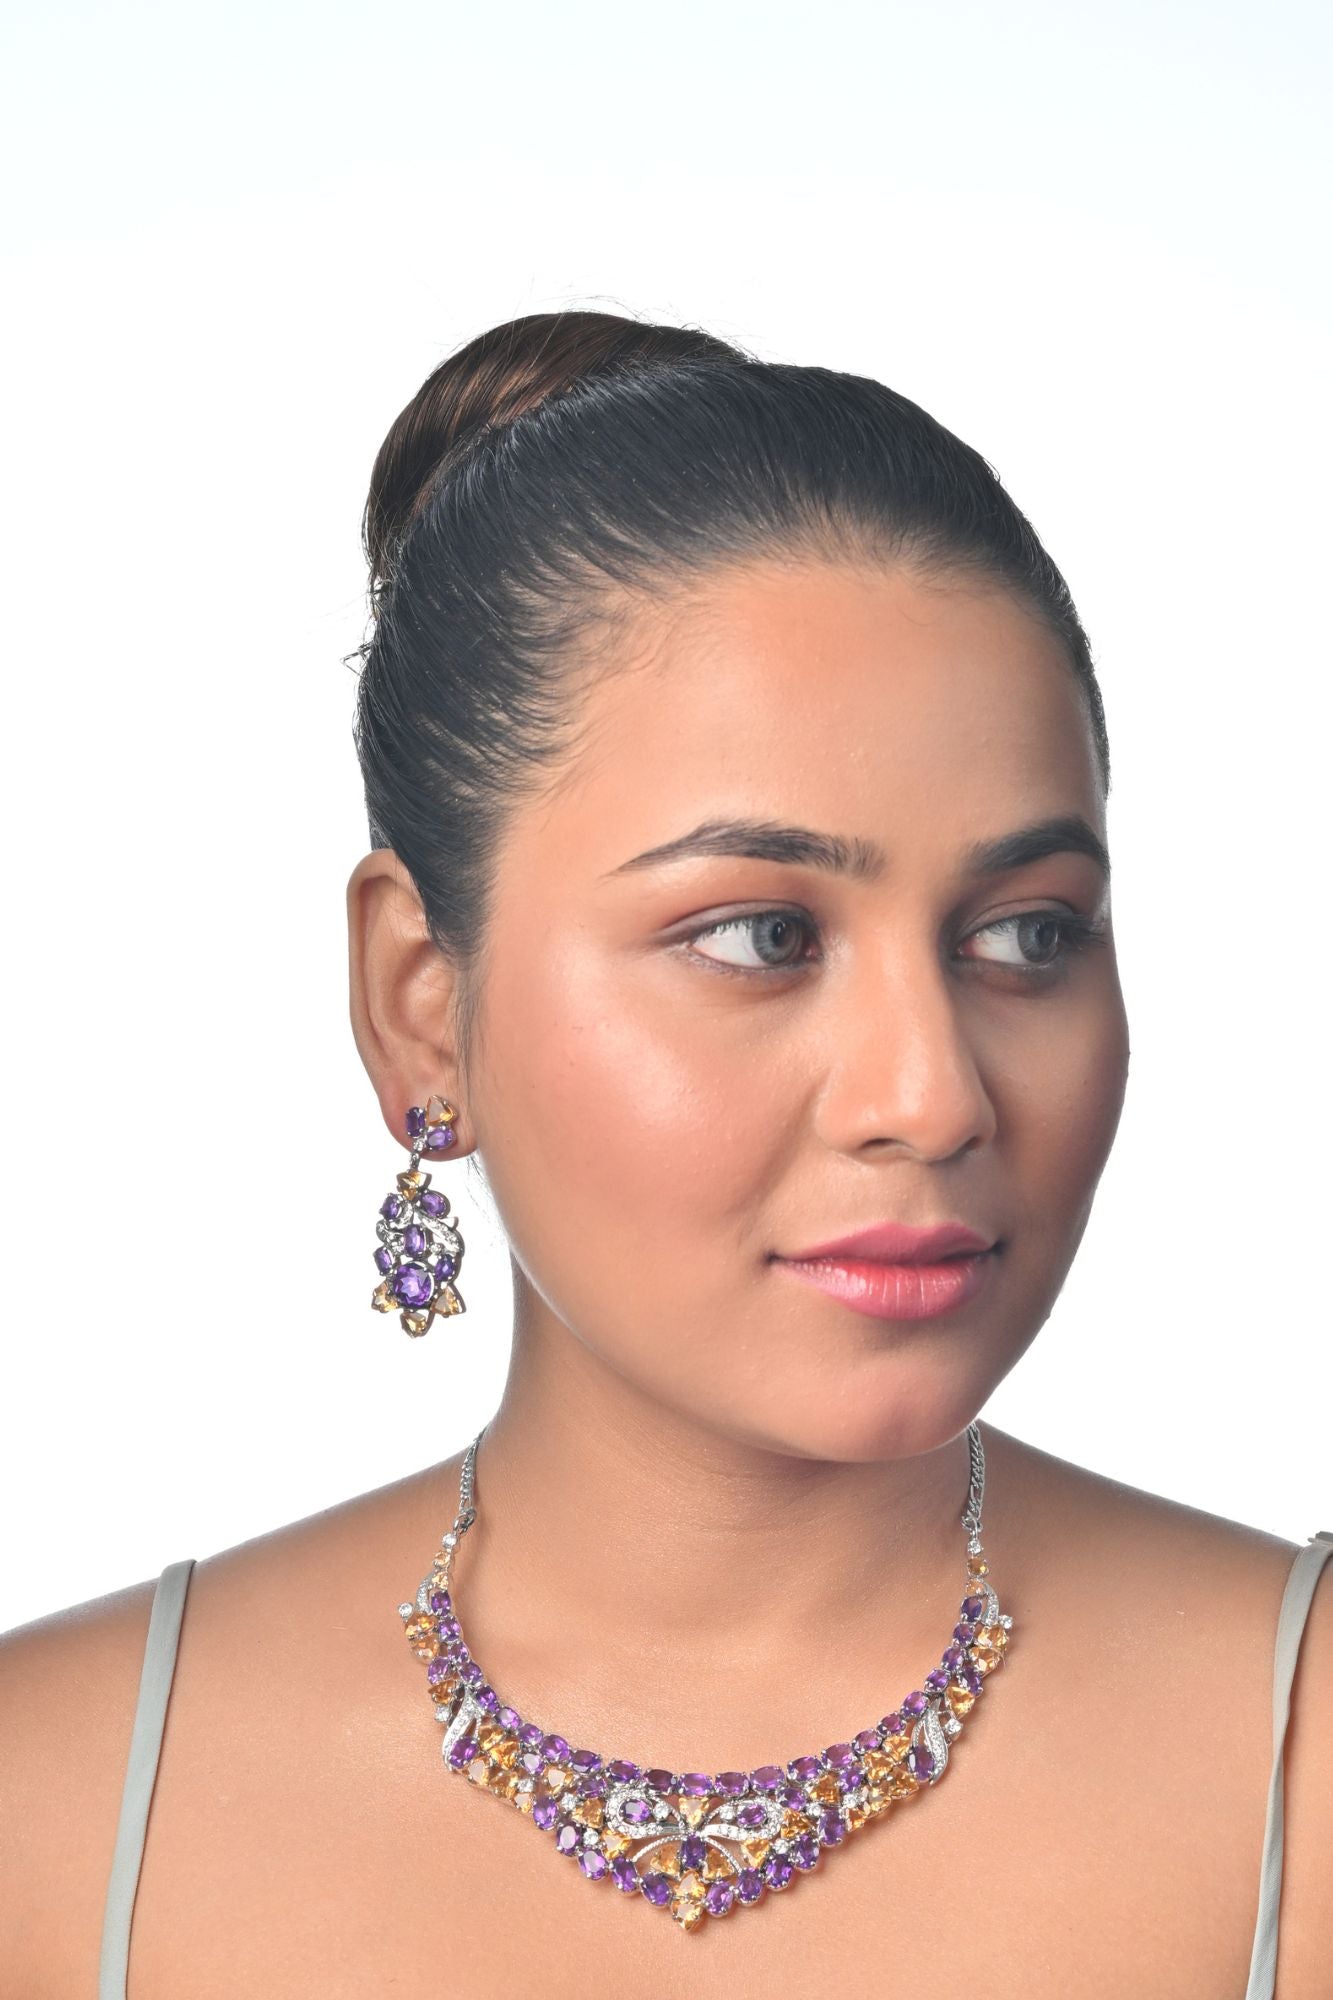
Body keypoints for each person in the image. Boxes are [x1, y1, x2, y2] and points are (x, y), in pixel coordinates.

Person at [1, 308, 1328, 1996]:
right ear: (420, 1006)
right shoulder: (51, 1809)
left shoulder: (1304, 1763)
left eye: (1023, 936)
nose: (931, 1097)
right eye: (761, 936)